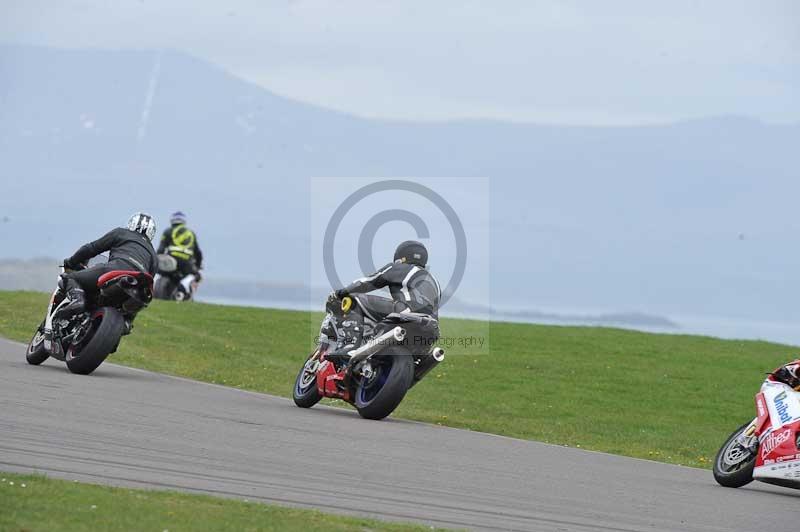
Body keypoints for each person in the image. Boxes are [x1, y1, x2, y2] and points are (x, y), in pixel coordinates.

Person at [326, 240, 441, 360]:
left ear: (402, 257)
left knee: (354, 299)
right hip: (430, 329)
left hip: (406, 315)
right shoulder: (434, 281)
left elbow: (366, 282)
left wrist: (340, 292)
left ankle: (350, 345)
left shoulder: (400, 267)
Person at [59, 213, 158, 322]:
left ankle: (77, 300)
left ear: (131, 224)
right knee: (133, 309)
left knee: (69, 278)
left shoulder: (121, 233)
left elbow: (91, 248)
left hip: (116, 269)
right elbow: (150, 279)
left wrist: (71, 262)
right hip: (139, 286)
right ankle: (126, 322)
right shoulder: (153, 254)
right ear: (151, 233)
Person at [157, 211, 204, 294]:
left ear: (172, 220)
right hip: (187, 263)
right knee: (195, 275)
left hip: (171, 260)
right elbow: (198, 253)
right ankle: (184, 290)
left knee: (158, 271)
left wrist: (156, 260)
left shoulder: (168, 231)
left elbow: (161, 250)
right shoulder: (191, 233)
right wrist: (198, 267)